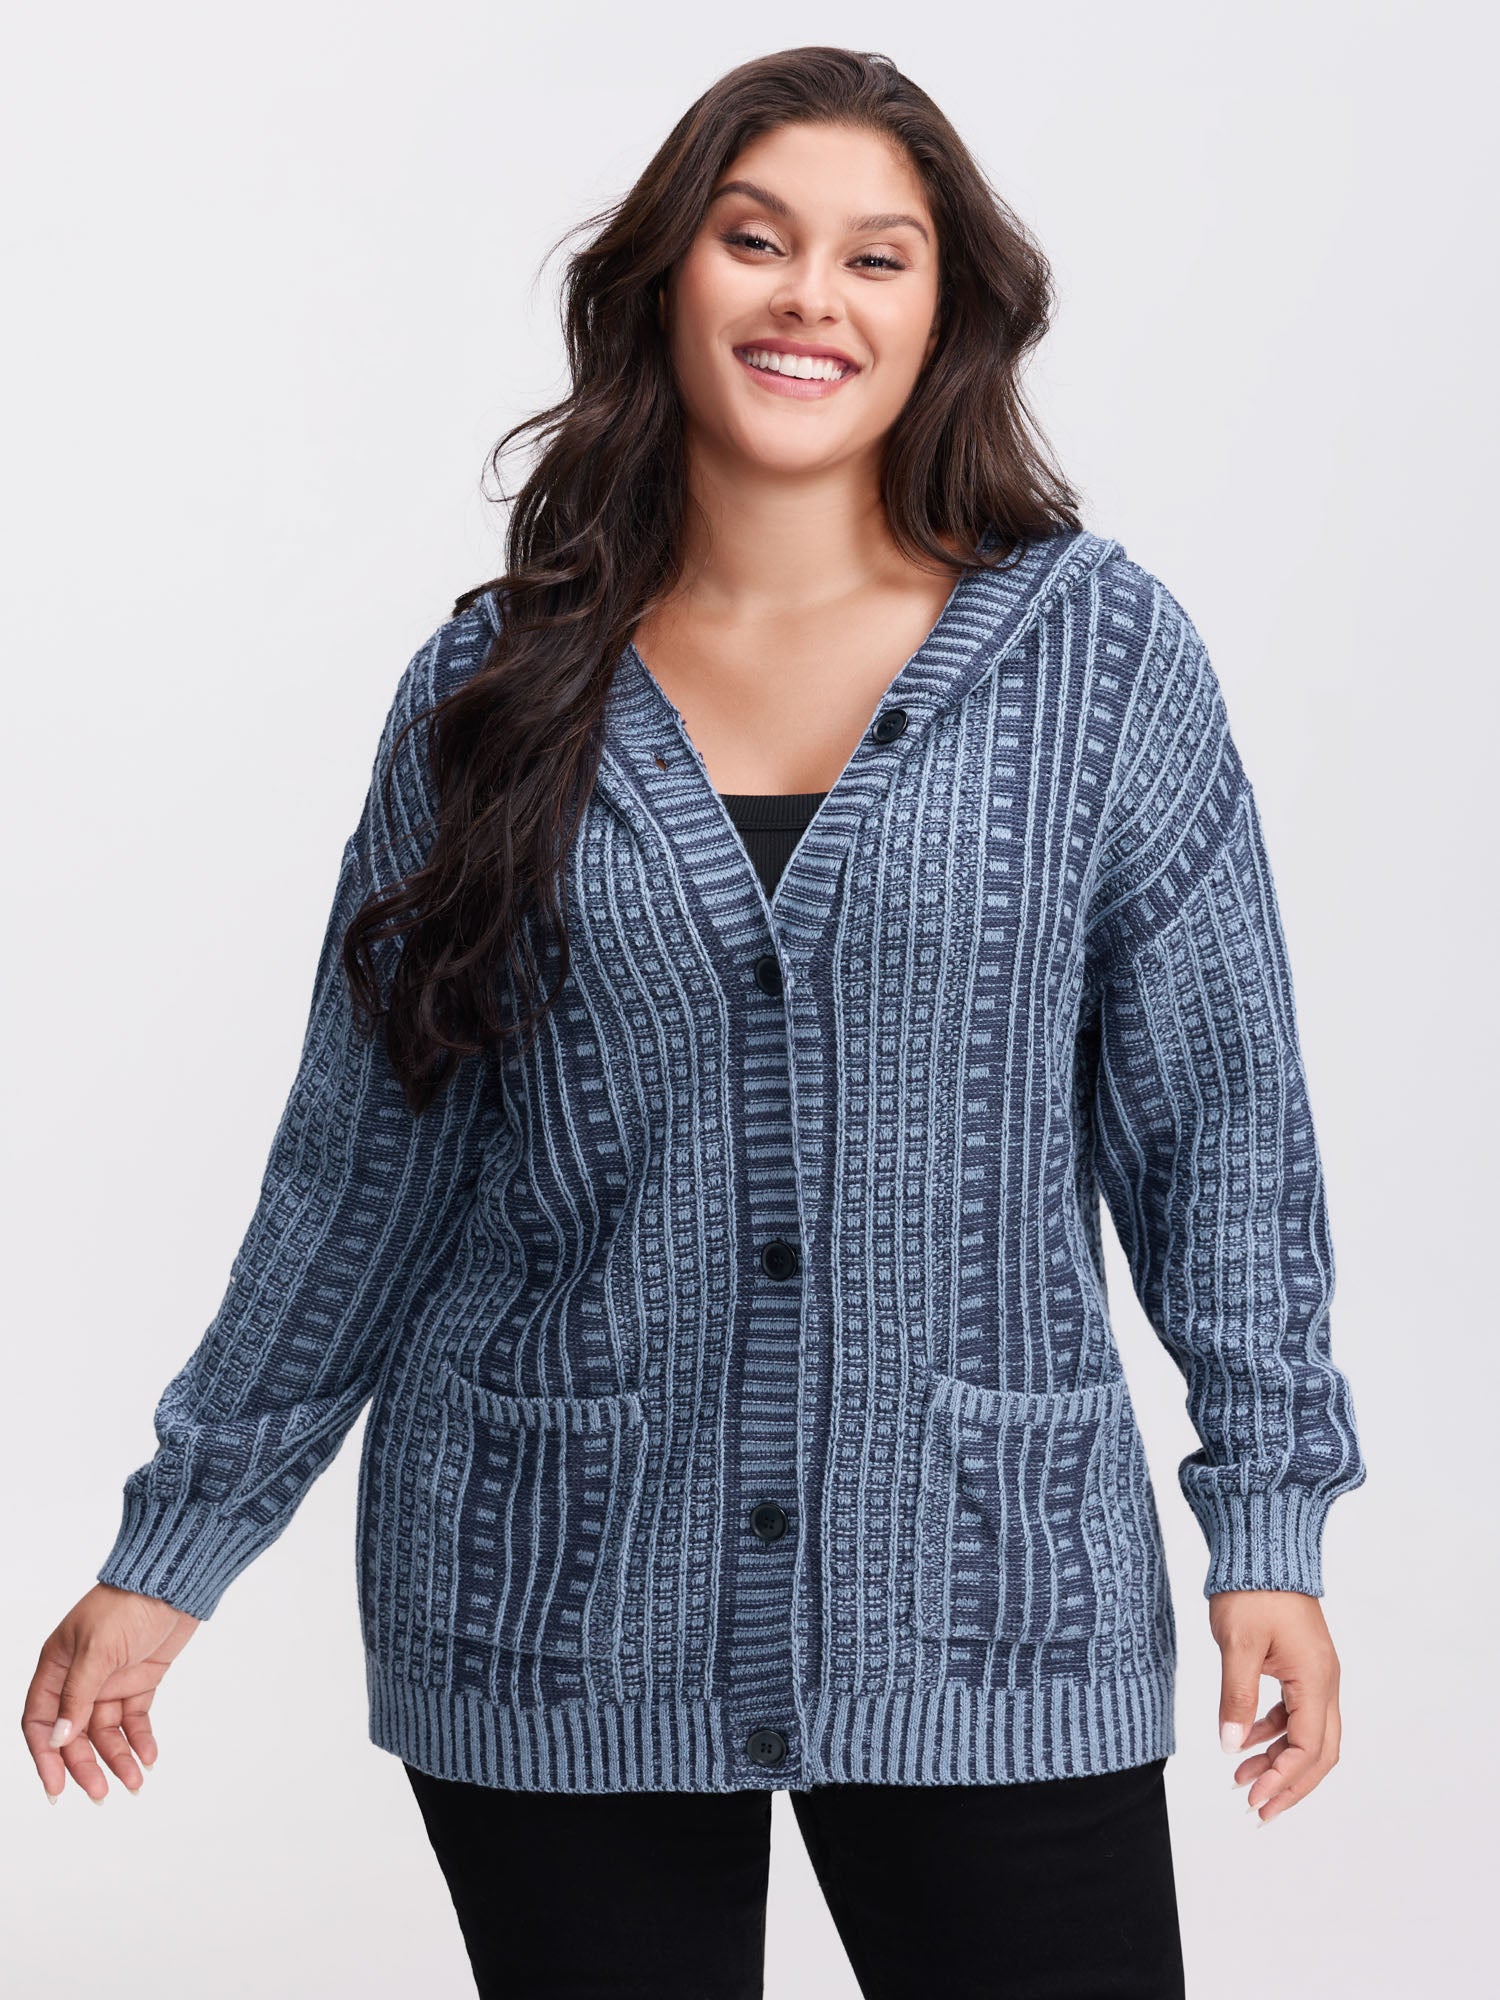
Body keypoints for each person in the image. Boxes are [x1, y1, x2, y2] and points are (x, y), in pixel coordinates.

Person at [24, 45, 1367, 2000]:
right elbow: (362, 1167)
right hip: (558, 1587)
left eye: (876, 257)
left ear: (946, 316)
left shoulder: (1099, 662)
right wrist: (179, 1542)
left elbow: (1222, 1127)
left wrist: (1271, 1514)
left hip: (985, 1587)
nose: (812, 295)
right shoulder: (495, 687)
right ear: (666, 279)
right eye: (757, 240)